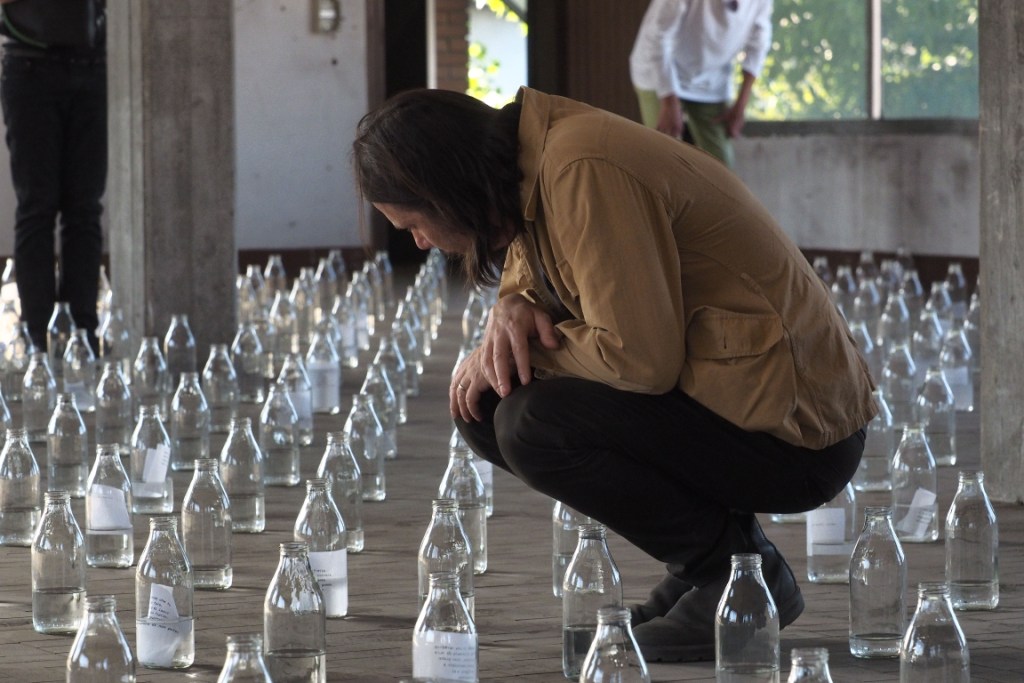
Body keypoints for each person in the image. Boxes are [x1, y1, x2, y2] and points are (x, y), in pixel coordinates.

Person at [352, 87, 875, 663]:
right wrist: (513, 306)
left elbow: (637, 359)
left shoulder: (581, 167)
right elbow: (539, 269)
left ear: (447, 189)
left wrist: (526, 349)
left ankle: (739, 578)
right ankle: (718, 563)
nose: (420, 242)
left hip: (799, 434)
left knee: (532, 419)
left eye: (414, 224)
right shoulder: (531, 161)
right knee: (487, 403)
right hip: (738, 404)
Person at [0, 0, 107, 352]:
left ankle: (84, 337)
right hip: (29, 63)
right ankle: (39, 341)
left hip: (94, 63)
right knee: (37, 207)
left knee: (85, 210)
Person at [629, 0, 773, 167]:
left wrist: (741, 104)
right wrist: (668, 102)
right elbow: (658, 38)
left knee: (722, 169)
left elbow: (759, 44)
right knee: (665, 160)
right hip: (659, 70)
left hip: (711, 79)